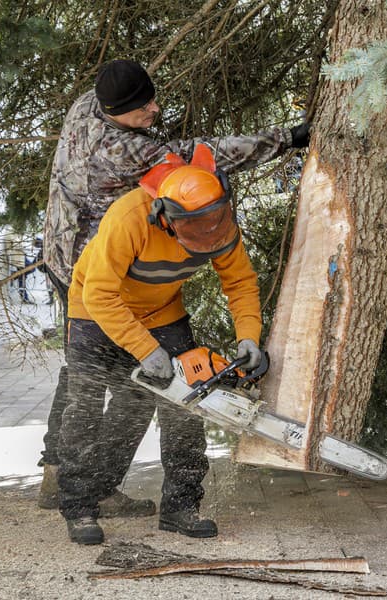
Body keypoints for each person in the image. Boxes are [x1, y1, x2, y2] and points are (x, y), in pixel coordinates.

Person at [37, 58, 310, 513]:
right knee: (111, 381)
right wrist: (286, 138)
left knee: (89, 378)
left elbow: (240, 280)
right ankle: (79, 486)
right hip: (97, 269)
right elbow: (206, 157)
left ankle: (61, 477)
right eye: (143, 108)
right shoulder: (123, 149)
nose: (155, 110)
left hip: (65, 253)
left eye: (151, 99)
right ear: (117, 111)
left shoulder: (89, 105)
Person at [60, 145, 263, 544]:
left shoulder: (219, 224)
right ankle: (80, 507)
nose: (205, 235)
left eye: (212, 222)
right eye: (193, 228)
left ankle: (181, 506)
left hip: (163, 311)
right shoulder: (130, 217)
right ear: (164, 215)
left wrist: (249, 337)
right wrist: (144, 348)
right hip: (94, 311)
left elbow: (239, 281)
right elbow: (101, 294)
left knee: (185, 407)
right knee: (84, 405)